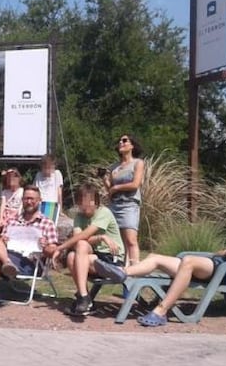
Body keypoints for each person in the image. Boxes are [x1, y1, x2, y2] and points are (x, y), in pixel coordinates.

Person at [96, 216, 226, 327]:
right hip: (214, 265)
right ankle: (122, 272)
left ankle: (161, 311)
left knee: (187, 261)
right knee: (155, 257)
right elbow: (217, 254)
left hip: (224, 274)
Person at [51, 183, 125, 316]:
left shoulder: (104, 213)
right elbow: (79, 238)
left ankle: (83, 298)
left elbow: (85, 235)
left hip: (112, 258)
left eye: (87, 202)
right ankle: (85, 298)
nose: (83, 207)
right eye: (80, 202)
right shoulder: (79, 217)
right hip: (94, 257)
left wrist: (61, 247)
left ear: (95, 202)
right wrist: (100, 238)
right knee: (72, 255)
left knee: (80, 247)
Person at [103, 133, 144, 266]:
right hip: (114, 204)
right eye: (119, 140)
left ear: (132, 145)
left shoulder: (138, 163)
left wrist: (117, 188)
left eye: (125, 140)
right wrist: (105, 179)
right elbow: (110, 189)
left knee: (131, 240)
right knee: (118, 239)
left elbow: (135, 184)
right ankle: (122, 268)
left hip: (129, 204)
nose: (121, 142)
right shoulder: (114, 167)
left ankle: (135, 269)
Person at [33, 154, 63, 221]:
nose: (47, 168)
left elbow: (59, 194)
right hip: (40, 204)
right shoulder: (38, 175)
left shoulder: (57, 174)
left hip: (52, 205)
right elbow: (35, 191)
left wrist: (60, 210)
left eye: (50, 166)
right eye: (45, 166)